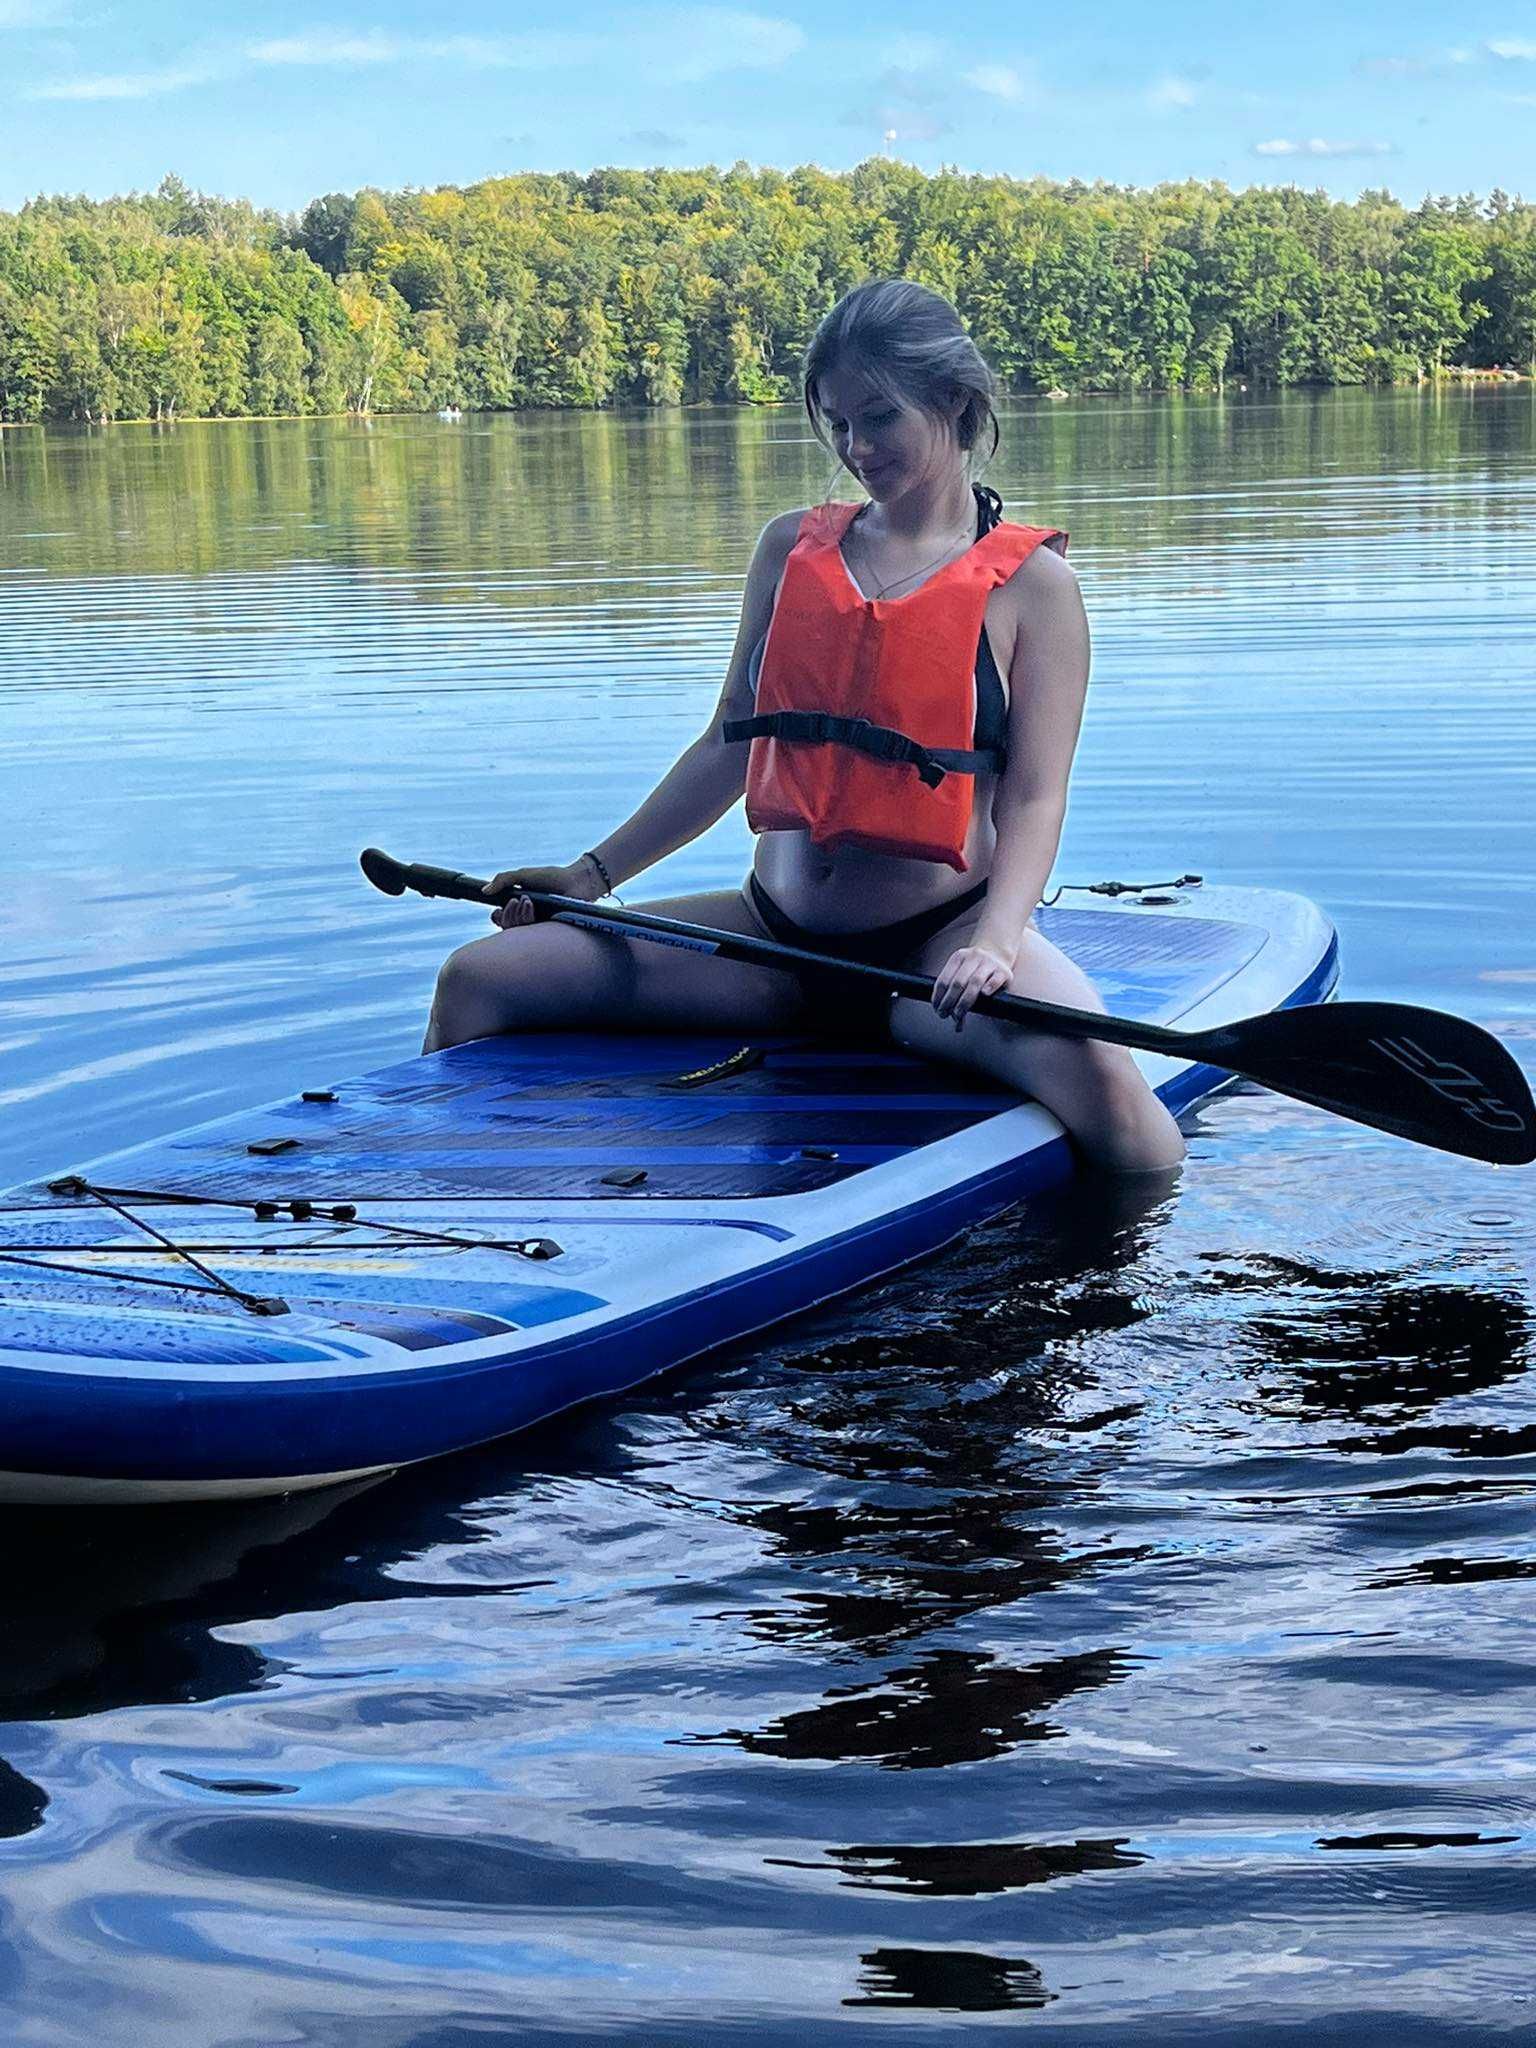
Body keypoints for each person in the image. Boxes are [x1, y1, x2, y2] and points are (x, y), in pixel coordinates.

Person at [424, 279, 1185, 1173]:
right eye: (837, 424)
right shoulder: (790, 550)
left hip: (933, 958)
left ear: (954, 402)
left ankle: (1116, 1285)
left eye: (880, 418)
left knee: (1119, 1109)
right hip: (771, 942)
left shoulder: (1034, 589)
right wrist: (589, 876)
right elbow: (728, 744)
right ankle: (449, 1196)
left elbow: (1035, 797)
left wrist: (997, 941)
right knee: (479, 981)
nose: (857, 448)